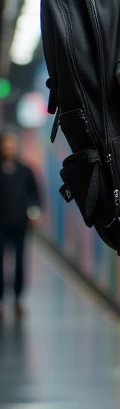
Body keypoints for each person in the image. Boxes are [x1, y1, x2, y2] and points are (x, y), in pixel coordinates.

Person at [0, 130, 42, 320]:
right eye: (5, 144)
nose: (9, 147)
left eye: (12, 144)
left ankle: (18, 299)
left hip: (19, 224)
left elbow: (34, 197)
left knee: (19, 262)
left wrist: (34, 213)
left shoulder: (25, 170)